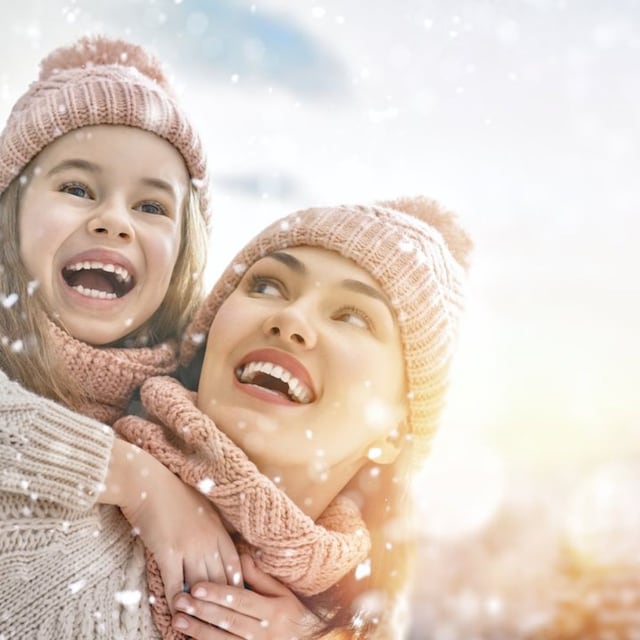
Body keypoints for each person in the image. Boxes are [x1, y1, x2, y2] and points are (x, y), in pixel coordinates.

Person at [116, 195, 473, 639]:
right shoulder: (71, 499)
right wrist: (119, 471)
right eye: (267, 286)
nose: (291, 319)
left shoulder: (360, 618)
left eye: (354, 317)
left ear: (397, 431)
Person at [0, 34, 246, 639]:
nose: (114, 219)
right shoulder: (149, 471)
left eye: (152, 206)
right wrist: (129, 475)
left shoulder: (193, 421)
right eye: (77, 188)